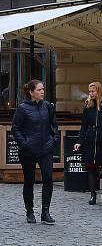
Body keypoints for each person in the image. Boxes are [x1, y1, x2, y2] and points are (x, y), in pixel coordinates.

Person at [11, 80, 58, 225]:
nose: (42, 92)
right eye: (39, 90)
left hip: (45, 149)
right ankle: (29, 211)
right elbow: (15, 128)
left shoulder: (47, 106)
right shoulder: (22, 108)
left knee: (48, 179)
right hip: (28, 151)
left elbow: (53, 125)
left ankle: (45, 212)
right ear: (31, 92)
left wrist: (53, 139)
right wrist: (24, 143)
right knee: (29, 181)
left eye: (43, 89)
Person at [73, 82, 102, 205]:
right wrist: (79, 142)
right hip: (91, 141)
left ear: (99, 91)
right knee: (91, 168)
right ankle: (93, 195)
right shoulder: (88, 106)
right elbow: (84, 126)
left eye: (93, 91)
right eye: (89, 91)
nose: (91, 93)